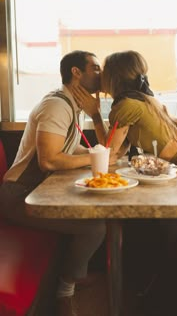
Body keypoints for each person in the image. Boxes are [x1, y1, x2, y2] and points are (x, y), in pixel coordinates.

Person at [73, 50, 177, 313]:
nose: (101, 76)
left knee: (171, 223)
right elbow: (118, 152)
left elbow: (109, 154)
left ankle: (163, 298)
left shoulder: (126, 105)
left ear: (115, 77)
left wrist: (94, 115)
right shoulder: (140, 100)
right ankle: (154, 289)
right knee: (162, 223)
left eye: (104, 71)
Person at [0, 50, 117, 316]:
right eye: (95, 68)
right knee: (94, 227)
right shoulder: (56, 105)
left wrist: (96, 136)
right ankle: (64, 292)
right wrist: (94, 160)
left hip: (39, 193)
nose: (101, 74)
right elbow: (50, 161)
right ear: (76, 72)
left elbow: (71, 149)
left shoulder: (72, 106)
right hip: (18, 196)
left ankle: (75, 275)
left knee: (98, 218)